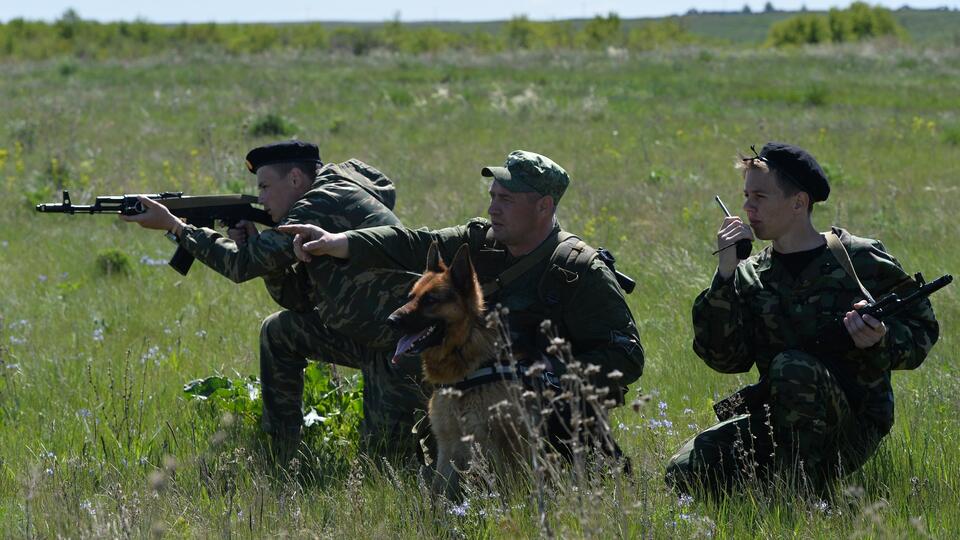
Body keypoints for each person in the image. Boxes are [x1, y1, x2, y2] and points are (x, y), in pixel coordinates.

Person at [278, 150, 645, 459]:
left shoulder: (577, 270)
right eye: (492, 196)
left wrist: (546, 378)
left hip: (548, 423)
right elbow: (411, 242)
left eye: (506, 200)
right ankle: (400, 458)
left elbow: (625, 356)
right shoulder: (481, 241)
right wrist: (337, 241)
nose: (493, 208)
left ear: (543, 206)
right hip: (472, 402)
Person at [121, 140, 427, 462]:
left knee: (388, 462)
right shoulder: (320, 206)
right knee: (280, 332)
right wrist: (267, 261)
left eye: (265, 186)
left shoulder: (323, 203)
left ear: (295, 178)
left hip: (405, 344)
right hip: (372, 336)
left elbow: (239, 267)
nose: (261, 198)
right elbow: (298, 301)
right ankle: (281, 454)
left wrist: (176, 227)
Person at [665, 142, 940, 494]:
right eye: (746, 195)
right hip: (779, 418)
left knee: (792, 367)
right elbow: (724, 358)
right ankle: (769, 485)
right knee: (685, 472)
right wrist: (724, 276)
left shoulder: (858, 259)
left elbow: (923, 331)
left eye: (760, 196)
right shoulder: (750, 274)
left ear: (799, 202)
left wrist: (881, 338)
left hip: (851, 424)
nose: (748, 207)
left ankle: (801, 497)